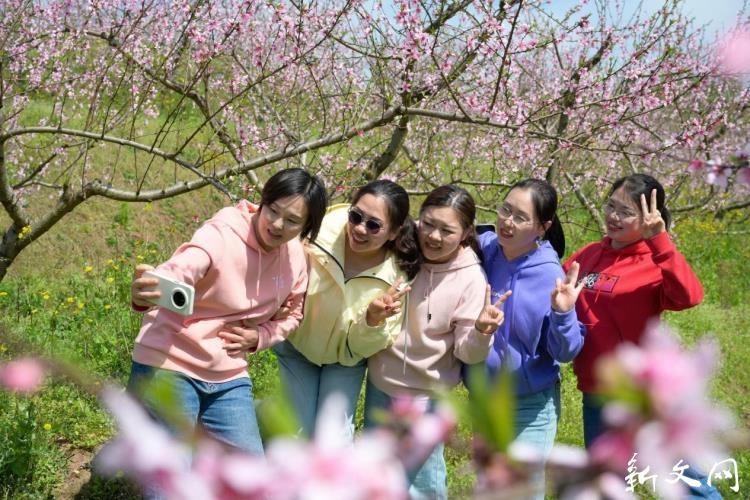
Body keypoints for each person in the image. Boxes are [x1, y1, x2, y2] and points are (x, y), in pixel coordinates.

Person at [128, 168, 327, 454]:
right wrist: (156, 285)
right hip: (169, 362)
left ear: (306, 227)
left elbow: (294, 315)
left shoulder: (295, 257)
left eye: (292, 221)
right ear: (263, 201)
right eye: (272, 210)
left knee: (248, 472)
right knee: (172, 470)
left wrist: (262, 336)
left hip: (228, 376)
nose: (277, 224)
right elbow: (188, 263)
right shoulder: (223, 232)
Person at [564, 174, 717, 498]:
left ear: (648, 217)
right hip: (598, 391)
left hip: (642, 396)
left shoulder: (653, 260)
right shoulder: (589, 255)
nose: (614, 217)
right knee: (607, 484)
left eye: (626, 212)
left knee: (690, 483)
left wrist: (660, 240)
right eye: (611, 206)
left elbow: (690, 296)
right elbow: (555, 285)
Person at [365, 185, 508, 499]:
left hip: (426, 396)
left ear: (466, 233)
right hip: (381, 385)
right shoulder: (403, 249)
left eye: (446, 230)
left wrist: (482, 331)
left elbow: (468, 353)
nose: (432, 236)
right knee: (375, 475)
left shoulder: (470, 278)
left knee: (421, 485)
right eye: (428, 223)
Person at [270, 179, 421, 438]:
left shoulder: (395, 278)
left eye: (373, 225)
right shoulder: (317, 234)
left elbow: (364, 347)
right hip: (297, 347)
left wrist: (372, 320)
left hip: (345, 361)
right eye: (356, 216)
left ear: (394, 232)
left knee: (333, 439)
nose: (360, 229)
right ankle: (265, 413)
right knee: (297, 434)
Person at [478, 178, 585, 500]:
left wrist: (563, 313)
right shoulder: (486, 248)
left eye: (521, 217)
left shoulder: (550, 275)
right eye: (505, 210)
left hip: (530, 405)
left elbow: (565, 352)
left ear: (542, 227)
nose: (507, 222)